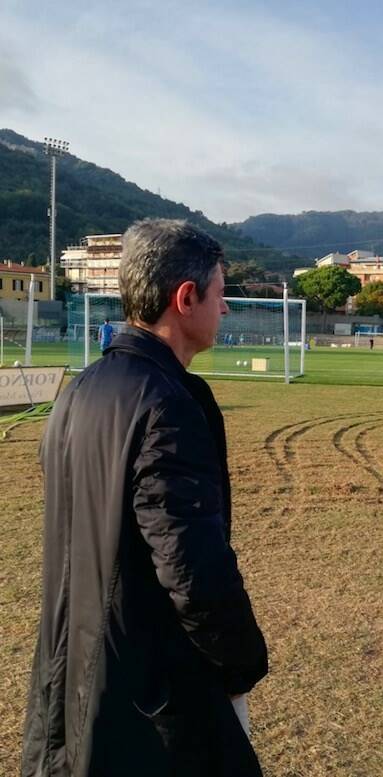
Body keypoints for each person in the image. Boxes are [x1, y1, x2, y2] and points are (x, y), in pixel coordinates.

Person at [22, 219, 268, 777]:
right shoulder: (169, 404)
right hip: (142, 699)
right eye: (221, 294)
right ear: (186, 298)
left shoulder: (80, 389)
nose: (225, 309)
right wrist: (242, 663)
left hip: (71, 673)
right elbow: (192, 569)